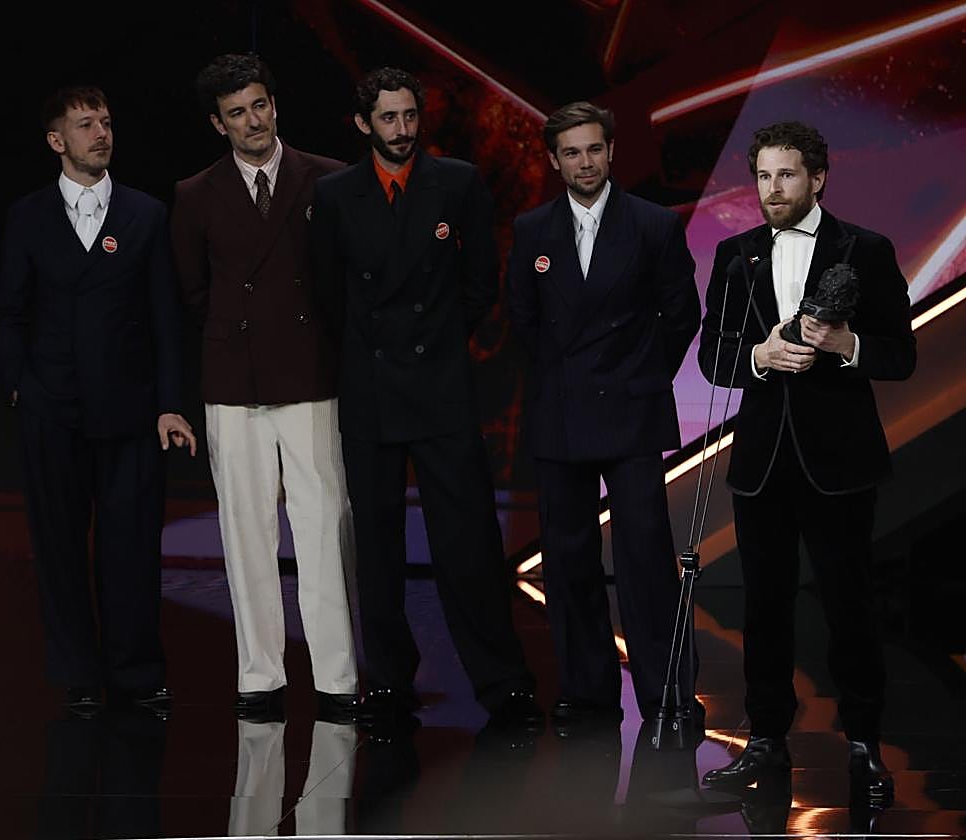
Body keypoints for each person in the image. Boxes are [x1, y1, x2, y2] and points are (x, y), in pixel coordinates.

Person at [310, 66, 538, 732]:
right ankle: (387, 681)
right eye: (389, 118)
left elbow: (480, 283)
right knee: (377, 546)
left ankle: (503, 683)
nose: (403, 129)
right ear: (363, 123)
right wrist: (374, 352)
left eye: (410, 115)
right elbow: (327, 295)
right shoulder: (334, 195)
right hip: (371, 390)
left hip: (440, 386)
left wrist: (436, 342)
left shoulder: (457, 182)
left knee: (468, 542)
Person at [697, 121, 916, 804]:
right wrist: (759, 357)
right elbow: (712, 356)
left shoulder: (866, 250)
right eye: (763, 176)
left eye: (786, 175)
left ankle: (864, 746)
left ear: (818, 178)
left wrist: (847, 344)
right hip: (762, 462)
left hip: (840, 463)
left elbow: (901, 356)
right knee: (763, 608)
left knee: (850, 607)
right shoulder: (735, 254)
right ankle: (765, 742)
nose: (772, 189)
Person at [0, 86, 196, 716]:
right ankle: (77, 671)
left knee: (131, 545)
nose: (101, 133)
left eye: (106, 122)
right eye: (86, 124)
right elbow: (9, 312)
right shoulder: (27, 216)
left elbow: (166, 317)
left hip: (130, 410)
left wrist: (170, 402)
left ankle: (136, 671)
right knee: (58, 546)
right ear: (57, 140)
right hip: (52, 409)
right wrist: (20, 385)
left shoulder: (145, 213)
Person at [171, 53, 357, 723]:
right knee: (245, 529)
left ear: (274, 105)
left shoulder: (327, 179)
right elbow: (192, 292)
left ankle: (337, 675)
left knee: (323, 526)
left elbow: (342, 282)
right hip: (233, 380)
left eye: (259, 106)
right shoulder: (195, 194)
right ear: (217, 124)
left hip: (310, 374)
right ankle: (260, 674)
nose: (252, 121)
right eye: (236, 113)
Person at [505, 102, 700, 724]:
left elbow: (682, 315)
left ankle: (667, 692)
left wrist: (639, 375)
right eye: (571, 152)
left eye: (594, 149)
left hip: (631, 410)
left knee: (646, 557)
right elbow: (522, 320)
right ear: (553, 160)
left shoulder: (653, 224)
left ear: (611, 151)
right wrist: (562, 380)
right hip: (560, 412)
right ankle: (587, 691)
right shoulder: (533, 230)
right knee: (568, 559)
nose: (584, 162)